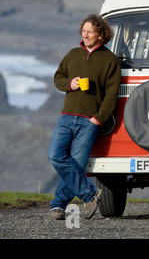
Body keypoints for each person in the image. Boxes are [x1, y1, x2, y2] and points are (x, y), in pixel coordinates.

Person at [48, 14, 121, 220]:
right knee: (55, 156)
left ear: (101, 35)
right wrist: (69, 84)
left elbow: (111, 95)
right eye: (83, 30)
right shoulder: (72, 54)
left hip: (90, 121)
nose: (85, 34)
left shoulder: (110, 60)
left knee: (76, 164)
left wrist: (98, 118)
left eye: (90, 31)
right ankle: (90, 195)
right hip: (66, 116)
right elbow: (58, 78)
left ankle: (58, 205)